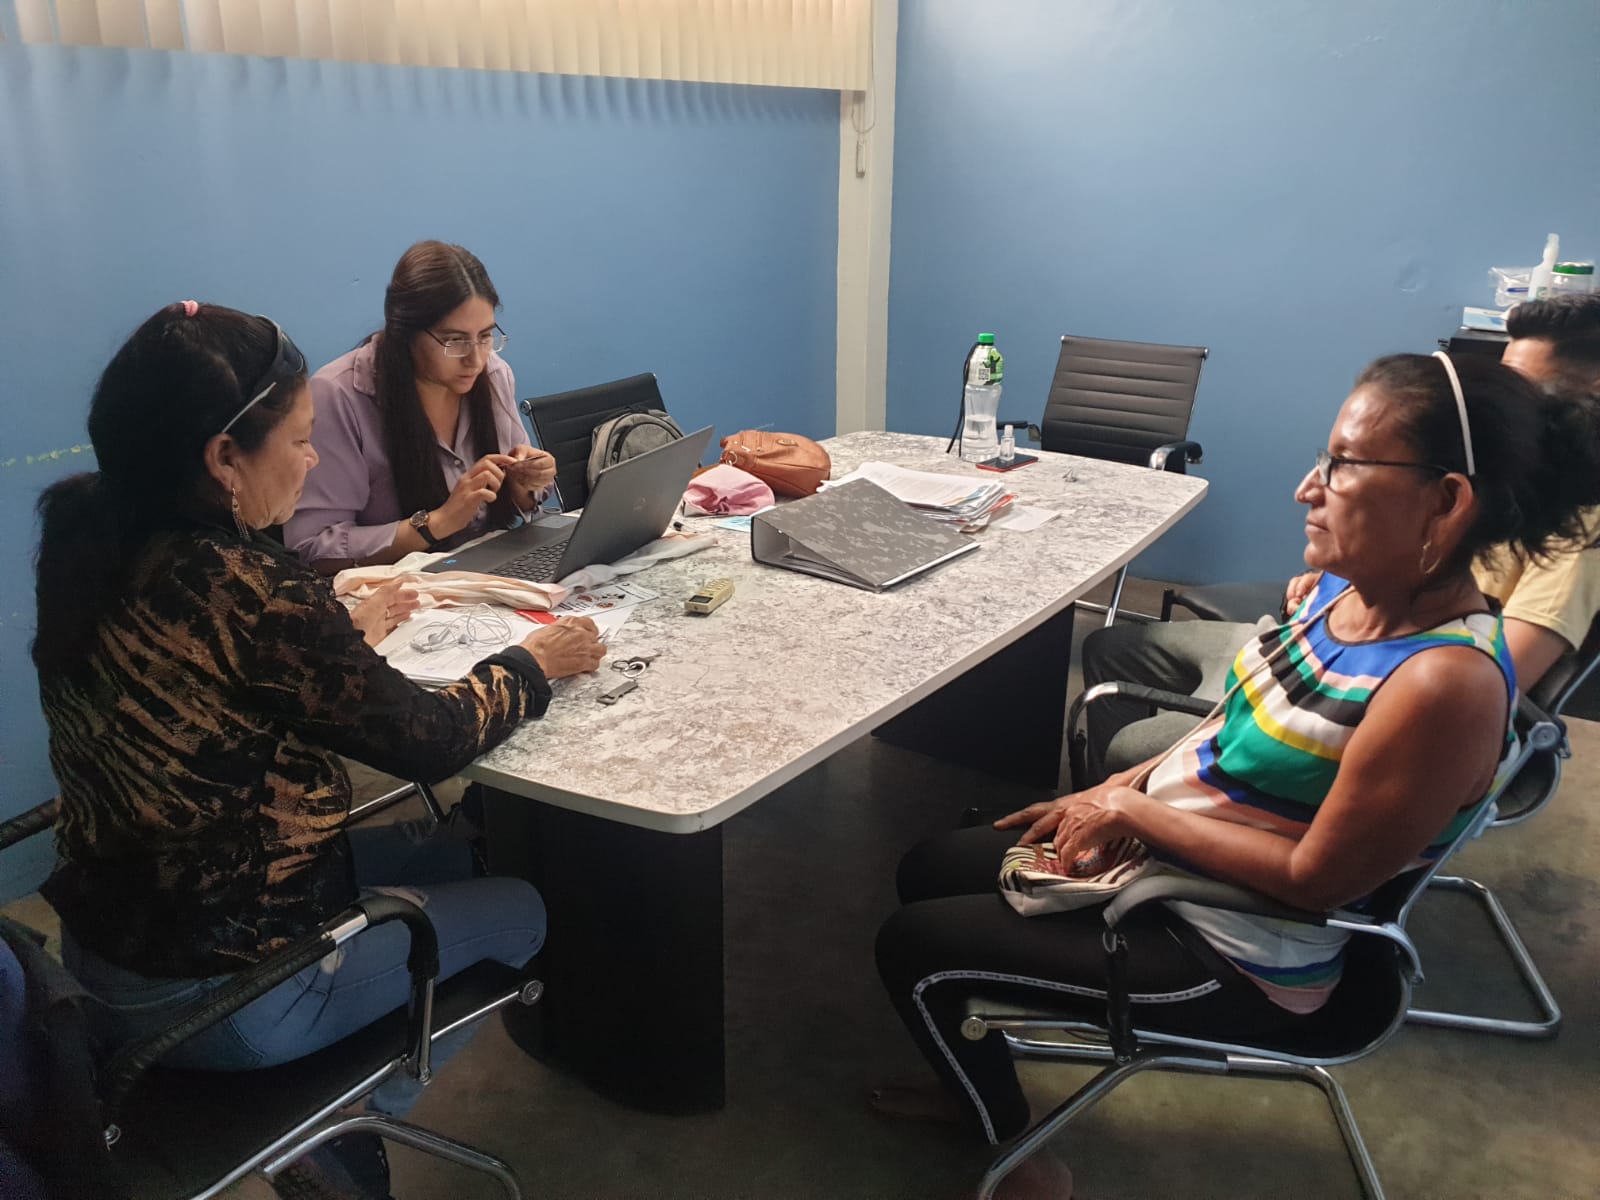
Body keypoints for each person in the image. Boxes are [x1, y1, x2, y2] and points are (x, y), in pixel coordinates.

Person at [875, 352, 1600, 1154]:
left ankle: (1015, 1158)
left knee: (915, 949)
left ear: (1447, 500)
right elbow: (1225, 729)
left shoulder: (1443, 685)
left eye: (1344, 464)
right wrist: (1115, 788)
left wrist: (1133, 813)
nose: (1308, 488)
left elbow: (1317, 881)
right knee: (929, 869)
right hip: (1172, 872)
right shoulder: (1343, 591)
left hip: (1233, 949)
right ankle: (974, 1075)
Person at [32, 302, 606, 1199]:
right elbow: (430, 739)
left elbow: (207, 677)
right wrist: (533, 664)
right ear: (223, 457)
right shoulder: (253, 591)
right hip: (226, 991)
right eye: (301, 442)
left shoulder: (91, 534)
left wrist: (336, 631)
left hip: (106, 955)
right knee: (524, 904)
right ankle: (342, 1127)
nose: (312, 461)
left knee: (466, 847)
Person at [1083, 292, 1600, 779]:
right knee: (1112, 649)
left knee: (1135, 752)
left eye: (1527, 389)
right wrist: (1346, 582)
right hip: (1321, 641)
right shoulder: (1491, 483)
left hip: (1353, 683)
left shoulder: (1569, 536)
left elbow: (1491, 681)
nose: (1511, 403)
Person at [285, 241, 557, 572]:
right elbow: (313, 547)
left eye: (486, 336)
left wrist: (525, 482)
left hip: (488, 569)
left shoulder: (494, 374)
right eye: (454, 340)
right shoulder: (339, 395)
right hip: (397, 589)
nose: (476, 359)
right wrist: (436, 523)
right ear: (405, 332)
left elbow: (520, 505)